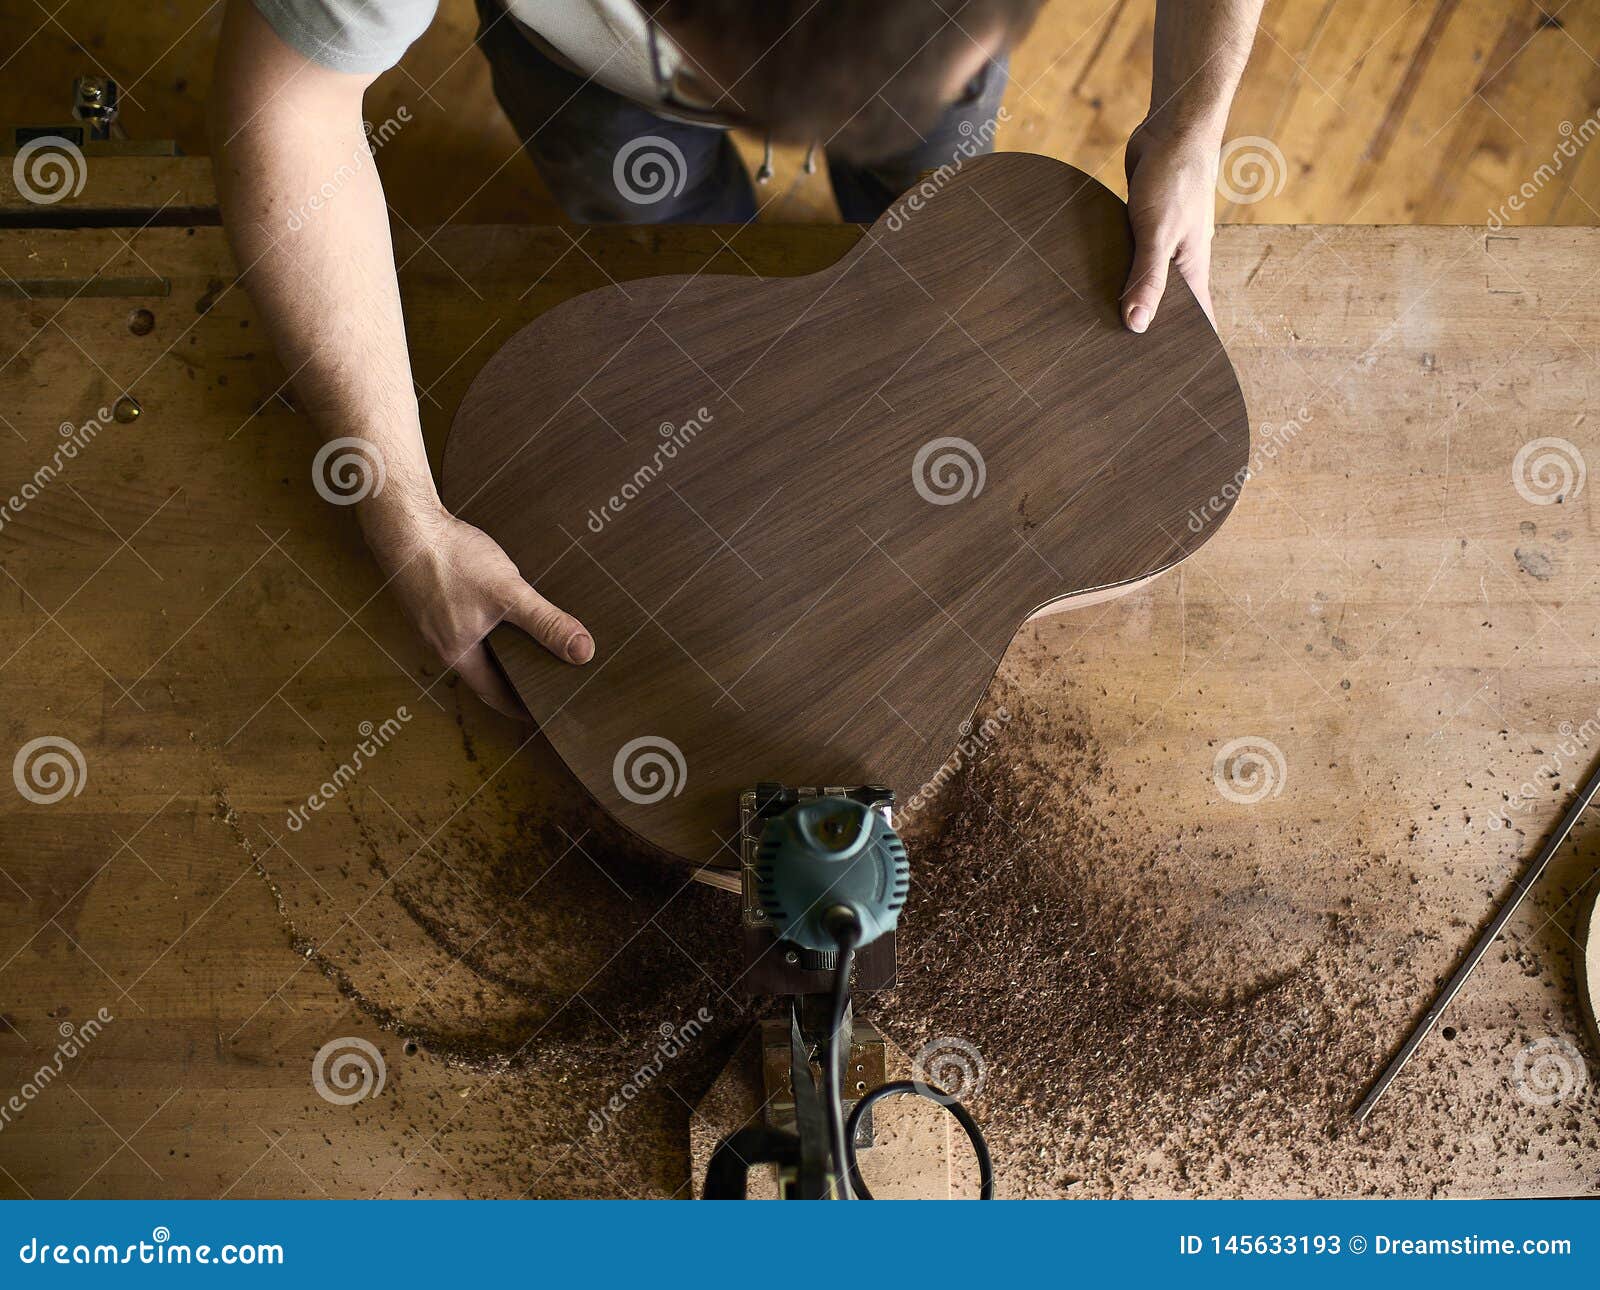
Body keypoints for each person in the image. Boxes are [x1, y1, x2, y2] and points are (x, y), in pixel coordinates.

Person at [210, 0, 1262, 715]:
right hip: (592, 68)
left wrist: (1190, 120)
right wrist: (401, 509)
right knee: (658, 231)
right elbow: (285, 115)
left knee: (931, 221)